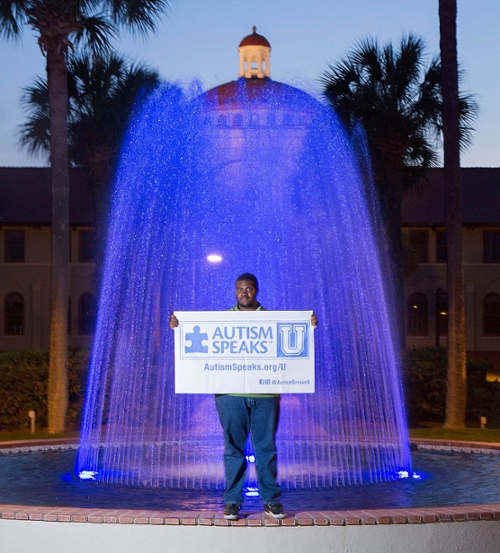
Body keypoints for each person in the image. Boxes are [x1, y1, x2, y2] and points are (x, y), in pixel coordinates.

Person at [169, 273, 317, 520]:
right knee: (233, 449)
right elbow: (196, 340)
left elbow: (295, 339)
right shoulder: (222, 320)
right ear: (235, 292)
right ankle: (233, 502)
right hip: (230, 395)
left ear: (256, 291)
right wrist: (178, 327)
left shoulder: (272, 320)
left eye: (248, 289)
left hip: (265, 395)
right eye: (240, 289)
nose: (244, 293)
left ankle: (270, 501)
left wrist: (308, 325)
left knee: (265, 449)